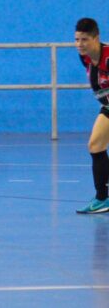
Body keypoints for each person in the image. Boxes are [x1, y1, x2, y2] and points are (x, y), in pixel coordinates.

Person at [76, 18, 109, 214]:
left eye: (85, 39)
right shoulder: (85, 57)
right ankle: (102, 198)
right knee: (95, 146)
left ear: (96, 38)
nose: (80, 44)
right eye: (77, 39)